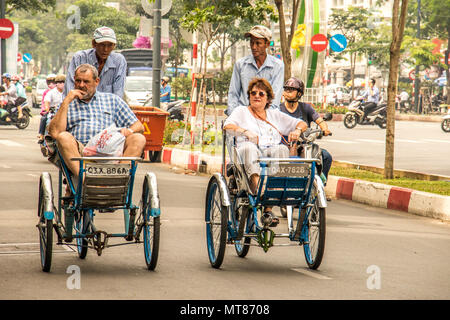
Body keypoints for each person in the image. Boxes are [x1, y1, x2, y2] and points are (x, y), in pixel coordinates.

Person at [223, 78, 307, 226]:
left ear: (268, 98)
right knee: (249, 148)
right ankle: (259, 189)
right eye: (253, 93)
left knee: (281, 149)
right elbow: (227, 126)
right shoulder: (241, 111)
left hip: (269, 154)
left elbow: (301, 123)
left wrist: (297, 130)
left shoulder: (275, 114)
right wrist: (245, 131)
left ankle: (268, 207)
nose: (256, 96)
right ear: (249, 96)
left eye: (261, 94)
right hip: (247, 154)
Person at [49, 64, 145, 186]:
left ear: (96, 81)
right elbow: (55, 133)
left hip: (110, 150)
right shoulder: (67, 104)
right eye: (78, 81)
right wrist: (66, 101)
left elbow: (138, 126)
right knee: (63, 137)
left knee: (138, 138)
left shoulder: (112, 100)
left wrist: (129, 131)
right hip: (80, 153)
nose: (81, 85)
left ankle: (117, 181)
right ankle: (87, 183)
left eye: (86, 81)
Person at [279, 77, 333, 182]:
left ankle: (320, 187)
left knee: (326, 156)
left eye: (291, 89)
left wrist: (325, 129)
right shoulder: (278, 109)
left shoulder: (305, 108)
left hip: (305, 145)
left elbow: (319, 120)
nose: (288, 92)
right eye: (286, 89)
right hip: (285, 146)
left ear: (299, 93)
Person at [226, 25, 284, 116]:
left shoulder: (277, 66)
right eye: (251, 43)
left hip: (266, 117)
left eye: (258, 43)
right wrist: (234, 116)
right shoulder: (240, 64)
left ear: (267, 44)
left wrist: (263, 118)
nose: (253, 47)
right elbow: (233, 94)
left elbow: (274, 99)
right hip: (242, 116)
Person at [64, 26, 127, 98]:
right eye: (102, 45)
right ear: (94, 44)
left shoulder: (119, 61)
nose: (106, 49)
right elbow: (69, 89)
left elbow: (118, 93)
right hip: (80, 106)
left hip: (107, 107)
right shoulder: (80, 58)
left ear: (114, 46)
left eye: (110, 45)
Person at [37, 74, 66, 143]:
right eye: (59, 82)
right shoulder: (51, 92)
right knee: (45, 119)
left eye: (63, 82)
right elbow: (46, 101)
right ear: (56, 83)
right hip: (53, 112)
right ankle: (43, 136)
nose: (61, 84)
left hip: (65, 112)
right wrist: (47, 108)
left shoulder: (68, 92)